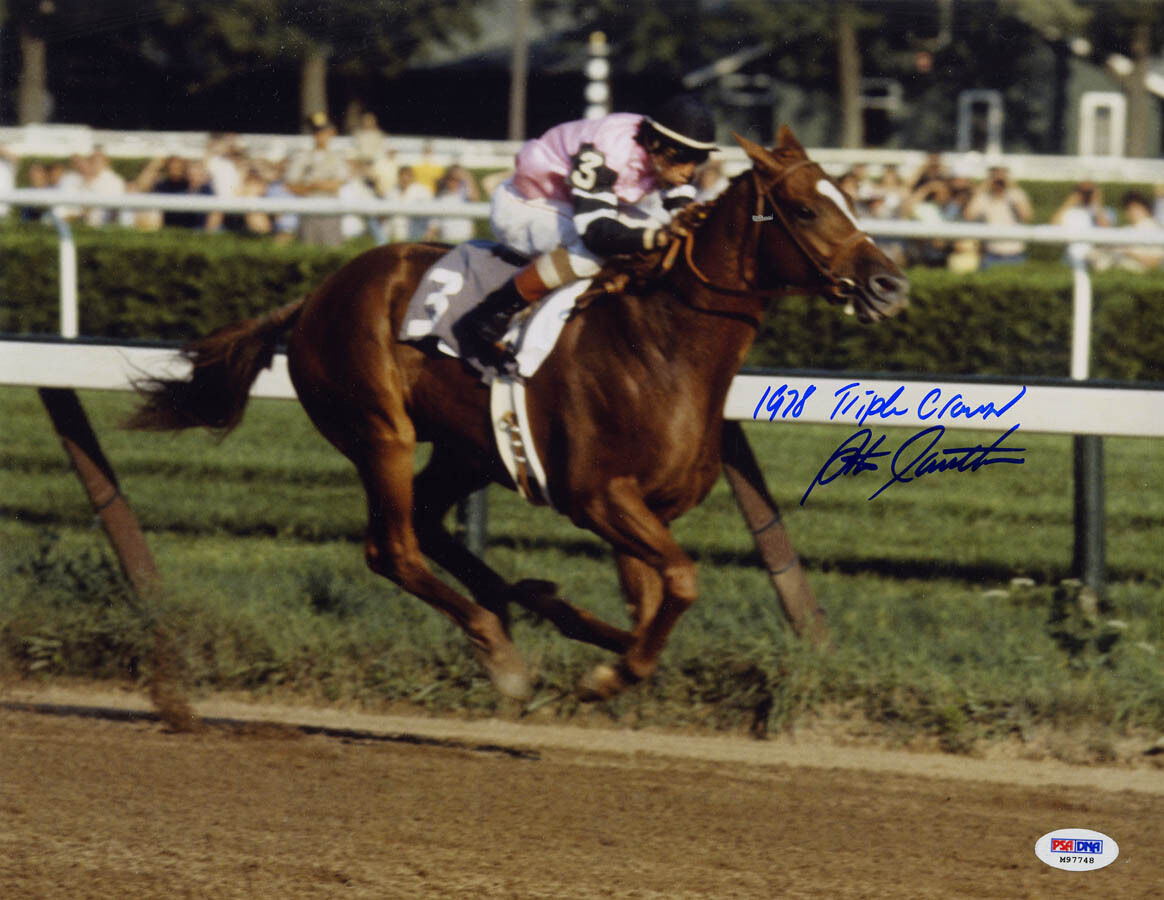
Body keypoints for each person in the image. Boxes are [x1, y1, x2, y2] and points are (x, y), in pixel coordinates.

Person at [454, 93, 717, 369]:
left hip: (569, 203)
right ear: (653, 142)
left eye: (698, 159)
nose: (690, 170)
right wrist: (659, 235)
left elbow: (682, 211)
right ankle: (492, 313)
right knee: (593, 252)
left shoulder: (663, 150)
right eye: (684, 157)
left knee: (648, 238)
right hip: (525, 204)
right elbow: (597, 233)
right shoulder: (608, 148)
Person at [285, 112, 348, 247]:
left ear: (331, 133)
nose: (320, 136)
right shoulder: (302, 157)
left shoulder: (337, 157)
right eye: (317, 132)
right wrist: (309, 188)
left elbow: (337, 184)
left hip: (330, 208)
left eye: (324, 132)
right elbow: (291, 184)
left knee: (333, 250)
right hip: (308, 208)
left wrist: (314, 184)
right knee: (308, 249)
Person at [963, 166, 1033, 268]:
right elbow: (968, 216)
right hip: (991, 254)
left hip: (1015, 254)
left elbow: (1027, 217)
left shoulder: (1016, 194)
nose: (998, 181)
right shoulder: (984, 197)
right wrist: (982, 188)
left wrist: (1011, 188)